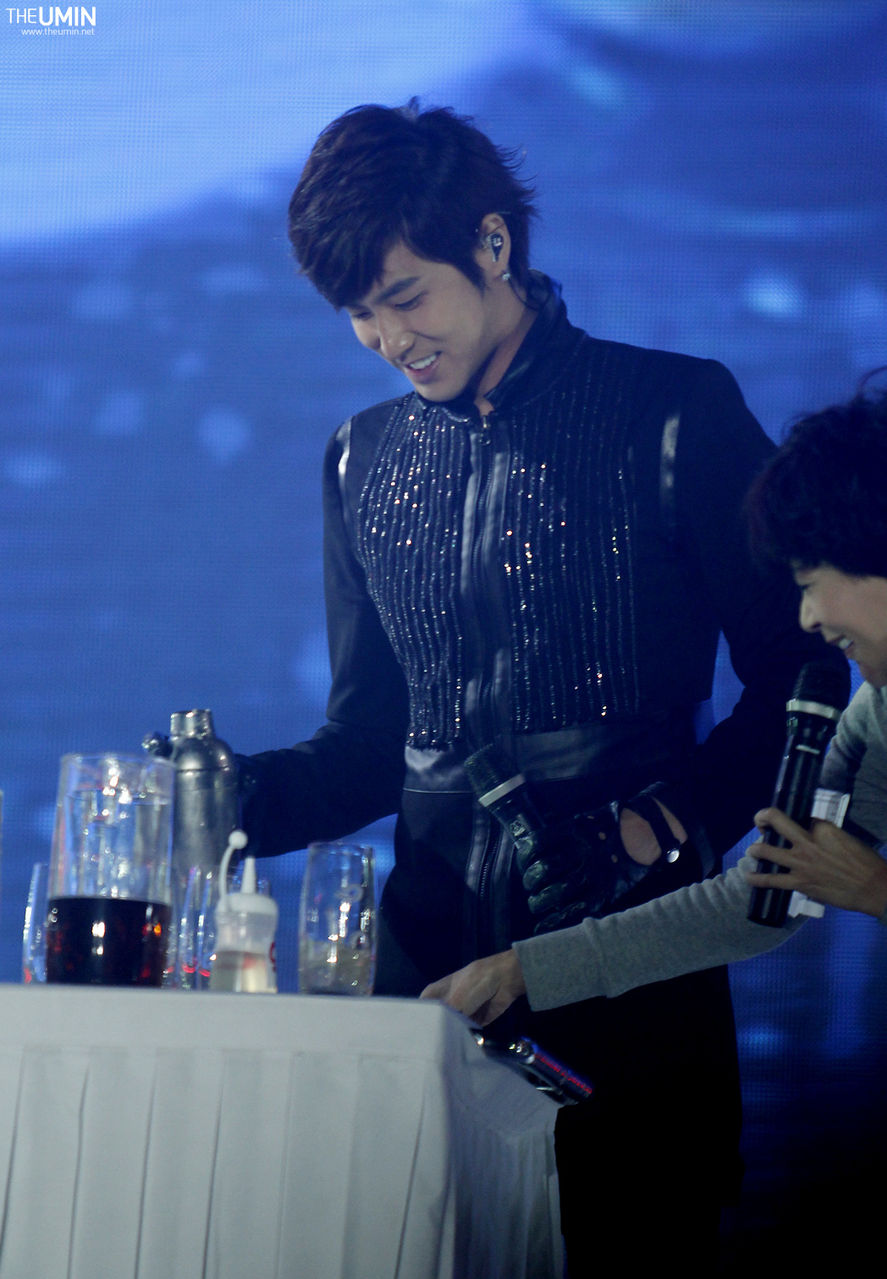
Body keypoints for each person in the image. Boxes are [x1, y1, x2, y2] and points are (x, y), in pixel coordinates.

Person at [238, 100, 845, 1275]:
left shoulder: (673, 410)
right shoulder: (360, 457)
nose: (385, 339)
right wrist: (227, 801)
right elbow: (369, 745)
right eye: (357, 313)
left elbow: (803, 673)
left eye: (403, 296)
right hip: (425, 998)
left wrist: (662, 823)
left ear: (491, 243)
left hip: (629, 972)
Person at [421, 379, 887, 1024]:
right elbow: (754, 901)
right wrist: (524, 970)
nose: (808, 619)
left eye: (809, 584)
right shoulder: (877, 718)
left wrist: (875, 889)